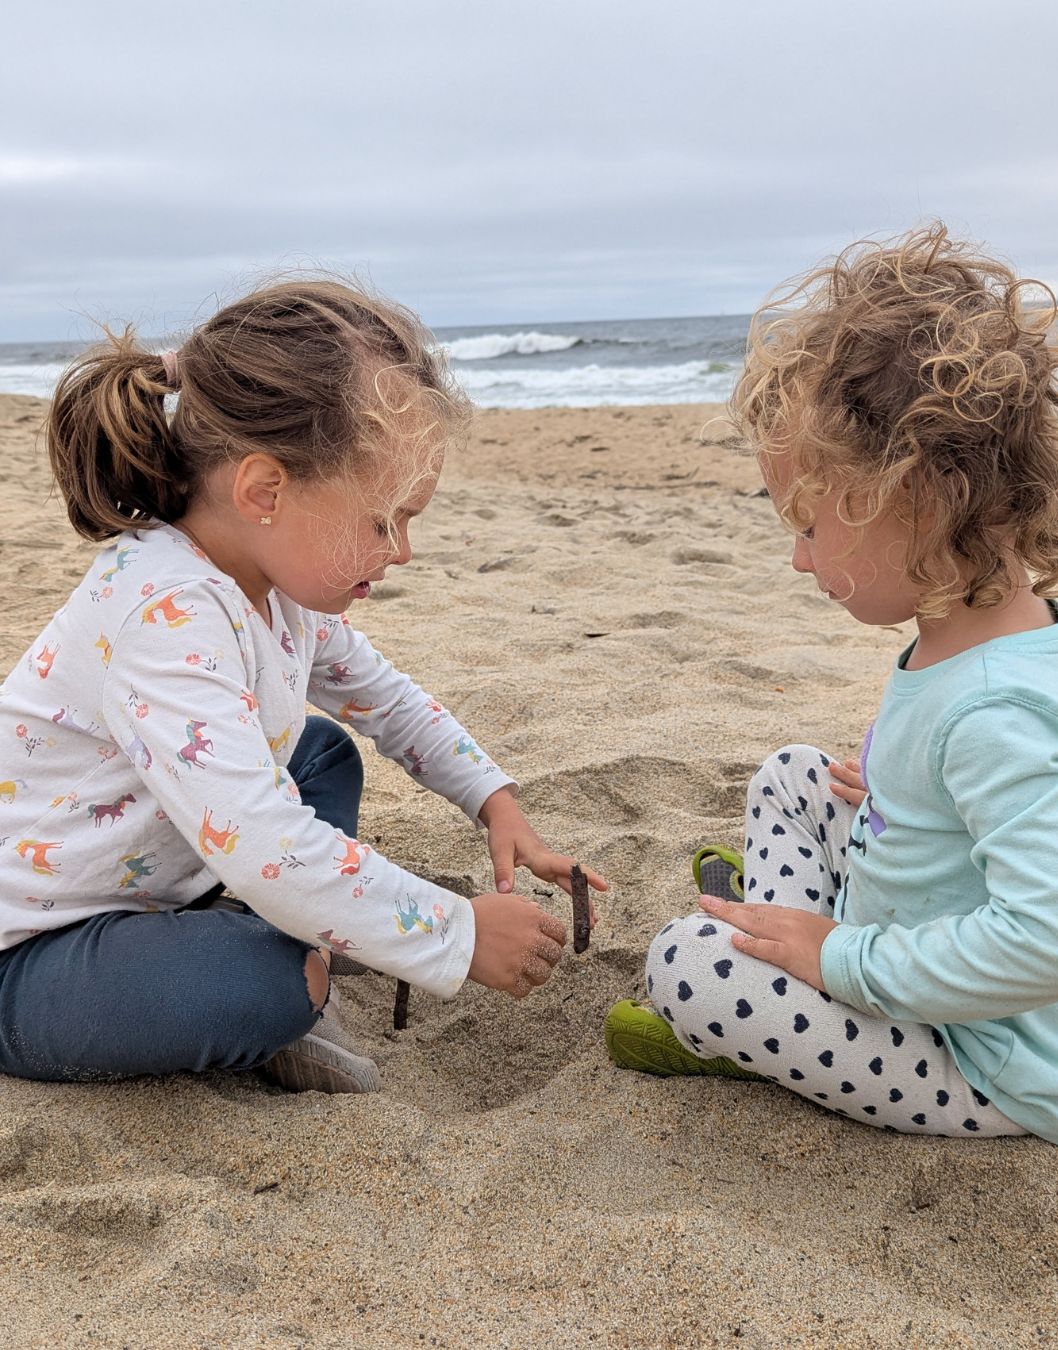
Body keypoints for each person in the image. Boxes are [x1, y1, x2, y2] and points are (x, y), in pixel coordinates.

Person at [0, 279, 605, 1093]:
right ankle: (296, 973)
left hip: (163, 877)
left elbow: (385, 699)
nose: (402, 552)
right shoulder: (164, 612)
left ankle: (299, 934)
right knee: (272, 987)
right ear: (263, 492)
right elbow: (265, 847)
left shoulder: (269, 579)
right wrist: (456, 935)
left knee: (321, 751)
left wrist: (495, 801)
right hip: (33, 947)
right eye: (383, 521)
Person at [606, 225, 1058, 1147]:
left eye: (813, 526)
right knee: (795, 775)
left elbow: (1055, 937)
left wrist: (844, 962)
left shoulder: (994, 713)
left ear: (918, 504)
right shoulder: (1004, 644)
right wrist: (911, 797)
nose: (796, 557)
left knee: (686, 966)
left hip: (996, 1058)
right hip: (915, 944)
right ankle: (791, 933)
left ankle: (766, 996)